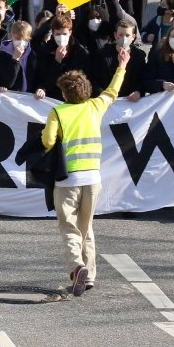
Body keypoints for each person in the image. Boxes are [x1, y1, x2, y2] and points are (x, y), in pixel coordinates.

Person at [41, 48, 129, 296]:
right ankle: (88, 275)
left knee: (69, 227)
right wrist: (122, 65)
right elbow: (112, 91)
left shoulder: (58, 111)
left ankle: (76, 266)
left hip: (67, 178)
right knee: (86, 226)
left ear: (64, 92)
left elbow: (48, 141)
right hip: (93, 178)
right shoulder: (95, 107)